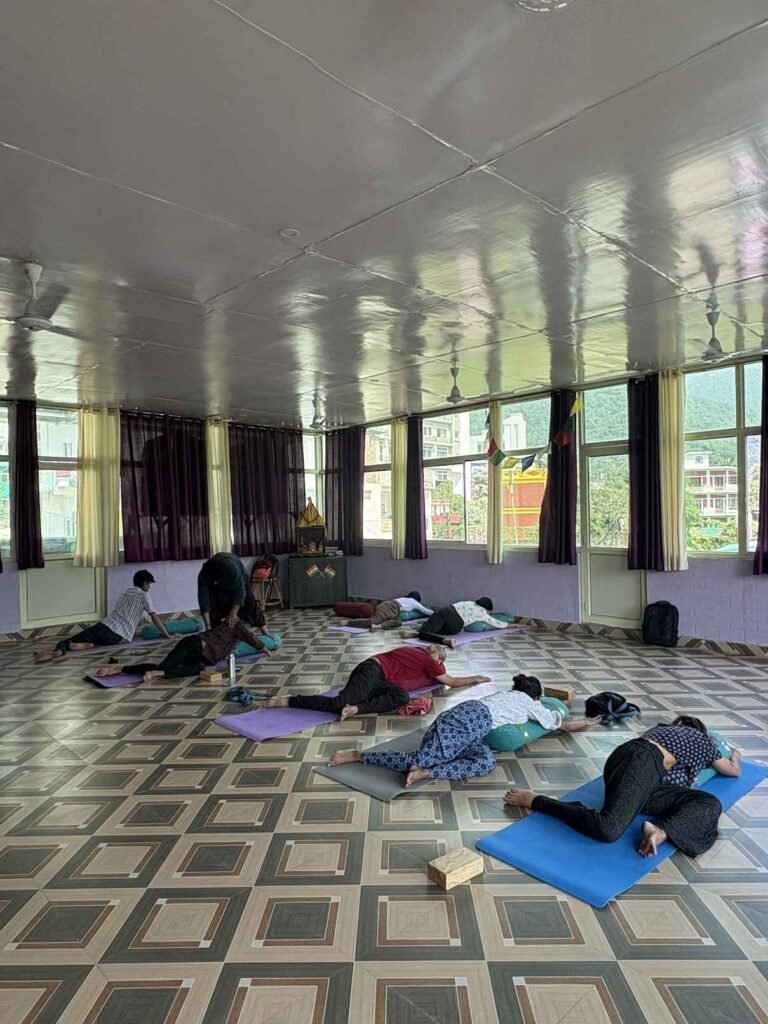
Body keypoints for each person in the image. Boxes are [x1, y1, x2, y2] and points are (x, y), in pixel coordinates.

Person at [503, 715, 741, 858]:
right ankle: (536, 801)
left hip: (646, 772)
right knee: (608, 829)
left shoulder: (661, 730)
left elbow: (668, 781)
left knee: (709, 802)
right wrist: (735, 756)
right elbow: (733, 771)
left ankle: (660, 831)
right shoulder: (701, 740)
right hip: (640, 759)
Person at [328, 673, 596, 785]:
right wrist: (585, 723)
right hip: (465, 721)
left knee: (486, 762)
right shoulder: (529, 703)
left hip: (474, 728)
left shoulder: (506, 694)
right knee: (416, 760)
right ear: (535, 697)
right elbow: (560, 724)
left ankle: (428, 772)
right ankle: (359, 755)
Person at [266, 645, 491, 720]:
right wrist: (476, 678)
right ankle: (289, 700)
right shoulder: (428, 659)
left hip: (383, 679)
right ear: (437, 654)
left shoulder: (418, 651)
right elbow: (451, 681)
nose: (440, 664)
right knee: (338, 702)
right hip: (372, 670)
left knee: (401, 696)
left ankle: (356, 709)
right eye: (441, 659)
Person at [34, 570, 170, 663]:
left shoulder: (126, 592)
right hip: (117, 636)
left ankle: (61, 650)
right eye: (150, 584)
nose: (150, 587)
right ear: (145, 582)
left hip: (104, 626)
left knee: (68, 640)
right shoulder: (144, 595)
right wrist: (166, 634)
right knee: (104, 640)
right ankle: (87, 645)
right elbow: (154, 616)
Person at [93, 618, 276, 685]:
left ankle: (156, 673)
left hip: (199, 654)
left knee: (198, 668)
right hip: (192, 645)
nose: (250, 630)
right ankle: (122, 669)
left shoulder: (231, 629)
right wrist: (268, 651)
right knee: (166, 666)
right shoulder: (238, 625)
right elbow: (252, 639)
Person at [402, 597, 512, 648]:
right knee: (427, 632)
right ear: (487, 608)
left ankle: (417, 633)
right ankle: (445, 640)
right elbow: (498, 623)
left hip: (445, 611)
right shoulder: (483, 613)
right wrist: (514, 625)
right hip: (455, 626)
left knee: (428, 629)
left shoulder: (469, 602)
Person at [198, 552, 263, 629]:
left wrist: (233, 613)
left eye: (216, 582)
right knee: (214, 607)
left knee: (250, 603)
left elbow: (240, 592)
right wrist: (208, 625)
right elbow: (204, 600)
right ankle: (215, 631)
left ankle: (265, 631)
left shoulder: (232, 569)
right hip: (220, 578)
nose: (215, 583)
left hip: (239, 577)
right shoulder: (203, 575)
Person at [344, 591, 434, 631]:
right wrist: (437, 613)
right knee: (373, 621)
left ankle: (378, 626)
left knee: (397, 621)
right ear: (417, 599)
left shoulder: (404, 599)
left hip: (393, 610)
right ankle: (348, 622)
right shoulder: (413, 601)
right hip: (389, 607)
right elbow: (426, 611)